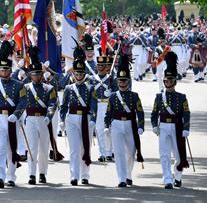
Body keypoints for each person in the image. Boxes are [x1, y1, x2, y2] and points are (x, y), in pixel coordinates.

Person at [0, 40, 27, 188]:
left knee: (11, 148)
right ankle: (0, 176)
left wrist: (17, 114)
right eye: (1, 70)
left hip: (12, 118)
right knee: (0, 148)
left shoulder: (18, 85)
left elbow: (23, 101)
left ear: (10, 69)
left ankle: (11, 176)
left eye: (6, 69)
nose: (4, 72)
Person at [151, 52, 190, 189]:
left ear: (175, 82)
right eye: (166, 81)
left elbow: (186, 113)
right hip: (163, 127)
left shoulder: (181, 97)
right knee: (164, 154)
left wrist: (186, 128)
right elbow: (154, 113)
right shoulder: (159, 97)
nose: (168, 83)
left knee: (179, 156)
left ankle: (177, 176)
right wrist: (154, 126)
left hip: (177, 127)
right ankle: (167, 179)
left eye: (170, 81)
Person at [104, 54, 145, 187]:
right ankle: (121, 178)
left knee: (131, 152)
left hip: (130, 124)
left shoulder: (134, 96)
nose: (122, 83)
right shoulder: (113, 97)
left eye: (124, 81)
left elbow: (140, 111)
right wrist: (106, 125)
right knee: (119, 152)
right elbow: (108, 113)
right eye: (120, 81)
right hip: (116, 124)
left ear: (128, 82)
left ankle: (128, 174)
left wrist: (141, 125)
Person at [59, 44, 97, 186]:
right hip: (72, 118)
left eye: (81, 73)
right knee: (74, 149)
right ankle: (74, 175)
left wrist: (93, 118)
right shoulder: (69, 88)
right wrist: (62, 120)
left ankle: (85, 175)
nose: (79, 76)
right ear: (73, 73)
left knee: (85, 147)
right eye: (77, 73)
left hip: (85, 118)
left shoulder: (90, 87)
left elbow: (94, 105)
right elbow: (63, 106)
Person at [24, 46, 57, 185]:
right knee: (32, 147)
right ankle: (31, 174)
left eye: (39, 74)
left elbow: (52, 104)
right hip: (30, 119)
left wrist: (49, 116)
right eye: (34, 74)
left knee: (43, 148)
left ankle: (42, 173)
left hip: (44, 120)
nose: (36, 76)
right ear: (30, 75)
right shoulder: (25, 88)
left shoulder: (49, 88)